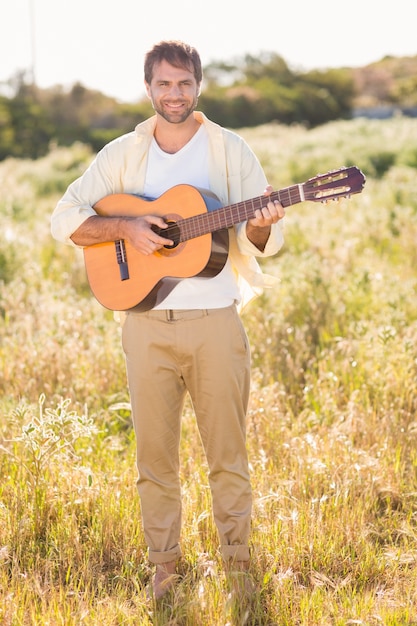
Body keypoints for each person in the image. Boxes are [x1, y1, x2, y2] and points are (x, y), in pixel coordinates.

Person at [51, 40, 285, 600]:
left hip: (215, 323)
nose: (173, 94)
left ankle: (237, 566)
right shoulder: (122, 154)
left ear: (198, 86)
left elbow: (265, 239)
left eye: (183, 83)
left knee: (228, 454)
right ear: (148, 87)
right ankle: (165, 569)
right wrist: (125, 230)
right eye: (163, 84)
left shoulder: (229, 150)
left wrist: (261, 222)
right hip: (145, 325)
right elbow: (67, 217)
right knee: (154, 459)